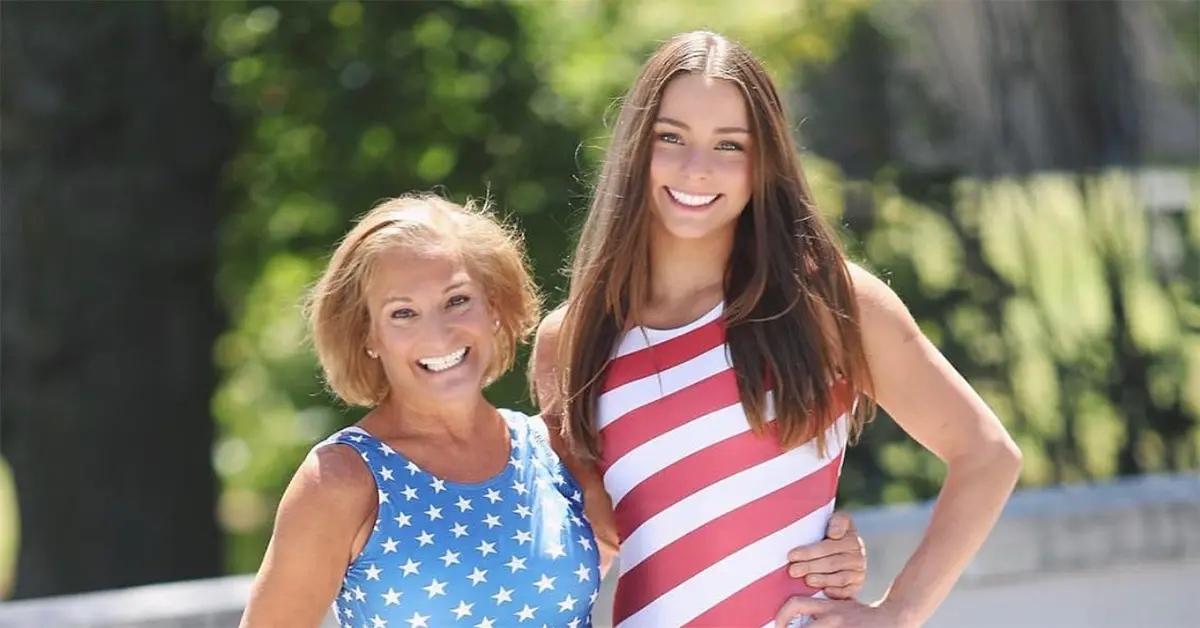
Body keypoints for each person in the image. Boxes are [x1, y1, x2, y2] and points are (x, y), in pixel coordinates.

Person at [534, 31, 1022, 628]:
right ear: (637, 147)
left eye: (729, 145)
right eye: (671, 137)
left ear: (764, 162)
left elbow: (987, 454)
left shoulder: (828, 301)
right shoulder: (573, 339)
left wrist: (898, 611)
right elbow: (583, 551)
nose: (696, 168)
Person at [241, 195, 600, 628]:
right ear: (368, 336)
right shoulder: (340, 480)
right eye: (403, 313)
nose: (438, 334)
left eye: (457, 301)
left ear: (495, 307)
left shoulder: (553, 451)